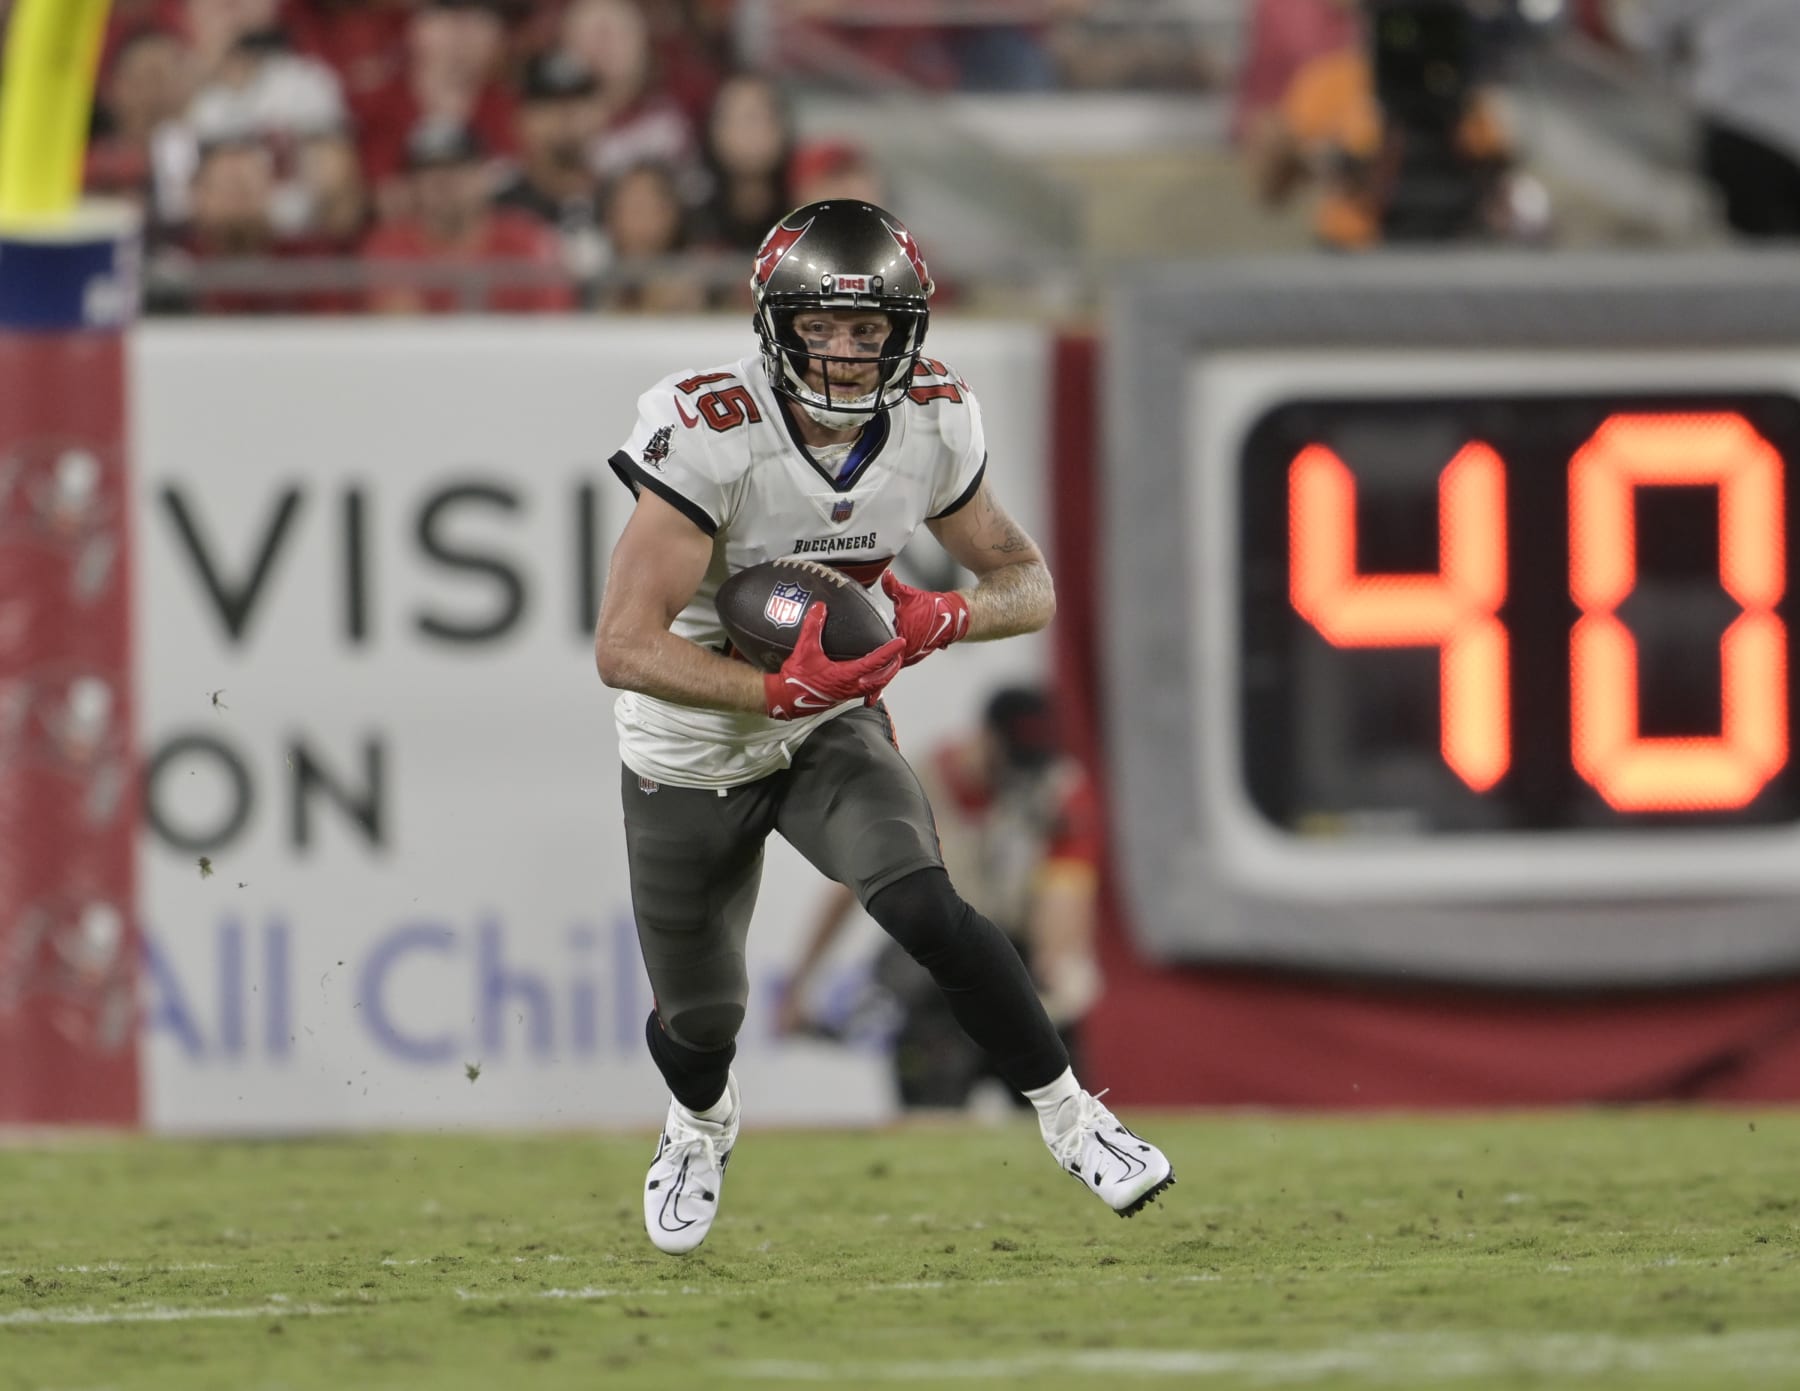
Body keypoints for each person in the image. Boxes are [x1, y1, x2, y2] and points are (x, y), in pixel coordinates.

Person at [593, 199, 1173, 1256]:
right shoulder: (710, 431)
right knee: (701, 1017)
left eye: (872, 330)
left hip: (828, 731)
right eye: (825, 326)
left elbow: (1026, 581)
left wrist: (940, 614)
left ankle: (1074, 1117)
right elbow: (623, 646)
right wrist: (770, 693)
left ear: (907, 331)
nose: (850, 353)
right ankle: (699, 1123)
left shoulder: (935, 420)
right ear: (777, 322)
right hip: (687, 750)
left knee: (926, 905)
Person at [776, 685, 1104, 1111]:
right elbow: (851, 884)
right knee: (930, 1118)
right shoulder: (916, 786)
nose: (1022, 773)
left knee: (1062, 1113)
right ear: (984, 737)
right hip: (936, 970)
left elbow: (1064, 897)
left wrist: (1056, 967)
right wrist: (802, 982)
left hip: (1020, 962)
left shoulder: (1059, 791)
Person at [1254, 0, 1525, 249]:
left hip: (1450, 245)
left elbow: (1497, 170)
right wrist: (1320, 160)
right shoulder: (1329, 81)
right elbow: (1272, 187)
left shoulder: (1456, 90)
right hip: (1354, 247)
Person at [1612, 0, 1800, 239]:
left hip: (1739, 125)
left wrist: (1676, 84)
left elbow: (1645, 34)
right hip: (1775, 130)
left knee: (1752, 255)